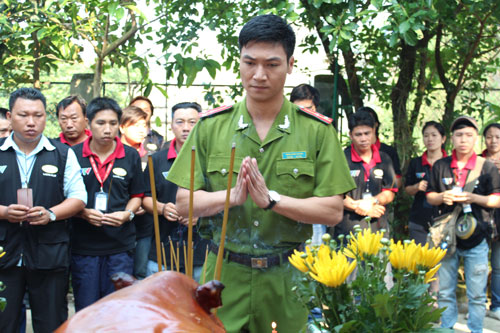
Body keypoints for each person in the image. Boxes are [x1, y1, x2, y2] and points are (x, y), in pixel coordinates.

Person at [166, 14, 355, 332]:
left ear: (290, 64)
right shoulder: (210, 128)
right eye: (249, 62)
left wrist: (272, 200)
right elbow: (184, 204)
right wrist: (230, 198)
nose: (259, 75)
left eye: (272, 64)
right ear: (239, 62)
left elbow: (333, 211)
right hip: (221, 278)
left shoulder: (316, 132)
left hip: (287, 277)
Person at [0, 88, 87, 333]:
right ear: (9, 116)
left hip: (49, 253)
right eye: (23, 115)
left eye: (38, 115)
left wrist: (51, 214)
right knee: (3, 322)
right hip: (4, 254)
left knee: (51, 323)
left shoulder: (61, 153)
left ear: (45, 118)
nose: (31, 122)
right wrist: (5, 212)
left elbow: (79, 197)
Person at [69, 97, 146, 311]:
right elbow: (65, 197)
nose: (107, 129)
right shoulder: (73, 155)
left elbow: (137, 195)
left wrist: (127, 214)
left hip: (120, 247)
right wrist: (82, 212)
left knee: (117, 309)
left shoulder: (130, 155)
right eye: (100, 123)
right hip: (84, 247)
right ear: (87, 123)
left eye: (113, 123)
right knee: (87, 308)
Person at [426, 116, 500, 333]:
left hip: (477, 237)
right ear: (452, 139)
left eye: (469, 135)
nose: (464, 140)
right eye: (459, 135)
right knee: (445, 291)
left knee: (477, 294)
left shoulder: (486, 166)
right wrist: (442, 197)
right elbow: (429, 196)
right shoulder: (441, 165)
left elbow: (496, 198)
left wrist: (473, 198)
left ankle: (475, 330)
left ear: (476, 138)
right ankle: (447, 329)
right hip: (447, 238)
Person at [143, 102, 209, 281]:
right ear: (171, 125)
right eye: (180, 122)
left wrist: (200, 214)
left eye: (192, 122)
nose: (186, 128)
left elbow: (223, 200)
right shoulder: (156, 160)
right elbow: (145, 198)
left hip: (202, 253)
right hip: (163, 249)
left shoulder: (210, 159)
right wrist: (163, 208)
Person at [333, 111, 397, 238]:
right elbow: (335, 196)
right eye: (358, 134)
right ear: (350, 135)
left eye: (367, 133)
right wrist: (360, 208)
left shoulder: (385, 159)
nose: (363, 139)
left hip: (379, 231)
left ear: (374, 131)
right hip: (348, 232)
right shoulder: (341, 160)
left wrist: (372, 201)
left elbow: (390, 191)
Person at [119, 105, 153, 279]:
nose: (142, 130)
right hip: (118, 222)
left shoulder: (153, 152)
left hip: (145, 223)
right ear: (122, 126)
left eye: (144, 125)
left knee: (141, 272)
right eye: (136, 125)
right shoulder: (115, 153)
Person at [405, 121, 447, 244]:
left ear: (443, 139)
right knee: (420, 259)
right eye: (426, 135)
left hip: (444, 219)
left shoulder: (449, 163)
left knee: (442, 260)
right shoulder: (416, 163)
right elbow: (407, 189)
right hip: (419, 218)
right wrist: (416, 187)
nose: (430, 139)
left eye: (434, 135)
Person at [482, 123, 500, 321]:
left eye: (497, 137)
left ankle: (496, 305)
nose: (493, 141)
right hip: (481, 219)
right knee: (477, 263)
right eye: (489, 137)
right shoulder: (478, 161)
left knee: (498, 265)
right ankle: (477, 304)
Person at [359, 106, 402, 187]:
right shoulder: (348, 153)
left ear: (376, 124)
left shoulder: (388, 152)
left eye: (368, 122)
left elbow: (398, 181)